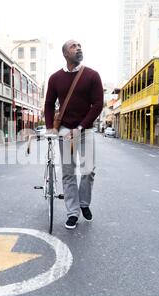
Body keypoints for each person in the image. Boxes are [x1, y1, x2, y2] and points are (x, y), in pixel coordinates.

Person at [44, 40, 104, 230]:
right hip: (64, 130)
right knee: (68, 173)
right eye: (73, 46)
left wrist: (81, 126)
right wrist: (50, 128)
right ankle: (72, 213)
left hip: (85, 130)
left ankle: (83, 203)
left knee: (89, 170)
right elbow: (48, 104)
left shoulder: (92, 75)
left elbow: (98, 104)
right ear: (65, 54)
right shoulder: (55, 78)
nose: (78, 48)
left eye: (80, 45)